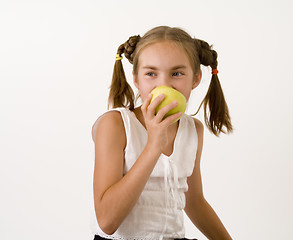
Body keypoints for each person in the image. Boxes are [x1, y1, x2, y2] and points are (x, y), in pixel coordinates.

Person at [91, 26, 233, 240]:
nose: (164, 84)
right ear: (136, 80)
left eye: (177, 73)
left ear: (195, 79)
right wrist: (153, 145)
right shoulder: (115, 125)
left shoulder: (193, 130)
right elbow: (107, 221)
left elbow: (194, 202)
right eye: (151, 73)